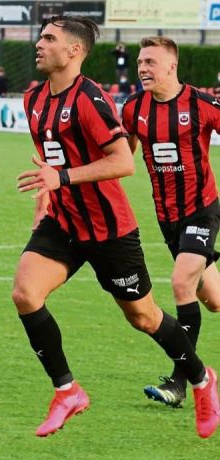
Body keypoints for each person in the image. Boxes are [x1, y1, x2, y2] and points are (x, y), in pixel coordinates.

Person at [14, 15, 220, 439]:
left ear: (74, 51)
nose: (39, 43)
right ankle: (67, 391)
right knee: (25, 292)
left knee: (144, 317)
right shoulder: (33, 99)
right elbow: (51, 159)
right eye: (40, 36)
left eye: (49, 38)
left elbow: (122, 162)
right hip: (65, 222)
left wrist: (64, 178)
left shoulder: (92, 99)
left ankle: (201, 379)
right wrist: (46, 192)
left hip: (111, 229)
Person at [122, 36, 220, 408]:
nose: (143, 68)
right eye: (140, 62)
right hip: (167, 218)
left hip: (202, 209)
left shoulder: (202, 104)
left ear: (171, 66)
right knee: (213, 301)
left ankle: (182, 382)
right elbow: (122, 157)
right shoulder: (133, 108)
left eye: (150, 62)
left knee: (181, 285)